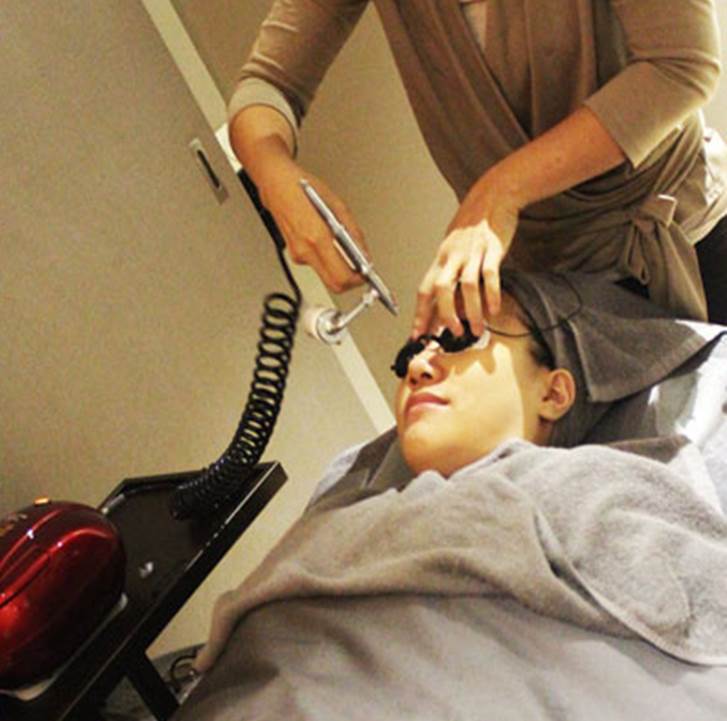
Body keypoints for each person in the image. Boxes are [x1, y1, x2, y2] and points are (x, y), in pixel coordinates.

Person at [173, 272, 727, 720]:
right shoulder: (345, 517)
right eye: (406, 359)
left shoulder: (609, 486)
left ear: (554, 392)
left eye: (462, 338)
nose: (417, 366)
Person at [229, 0, 727, 333]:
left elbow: (682, 65)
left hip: (691, 238)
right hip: (548, 286)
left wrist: (501, 191)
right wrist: (273, 173)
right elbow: (267, 85)